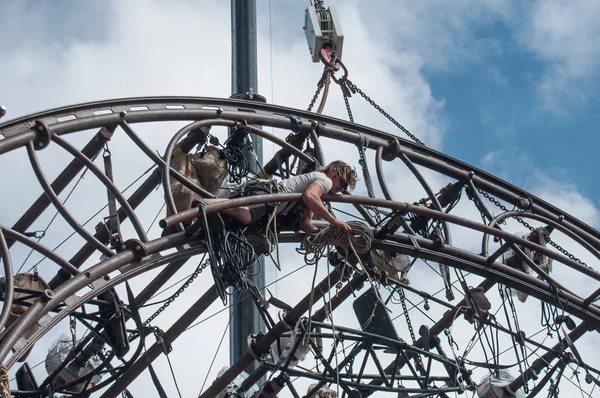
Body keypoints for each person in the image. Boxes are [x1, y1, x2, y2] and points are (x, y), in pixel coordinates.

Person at [196, 160, 358, 233]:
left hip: (271, 200)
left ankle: (209, 211)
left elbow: (305, 223)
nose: (340, 189)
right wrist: (334, 221)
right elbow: (310, 196)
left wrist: (324, 236)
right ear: (334, 171)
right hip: (271, 195)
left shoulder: (319, 192)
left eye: (344, 189)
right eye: (342, 183)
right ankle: (206, 203)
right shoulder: (325, 181)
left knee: (241, 220)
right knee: (246, 214)